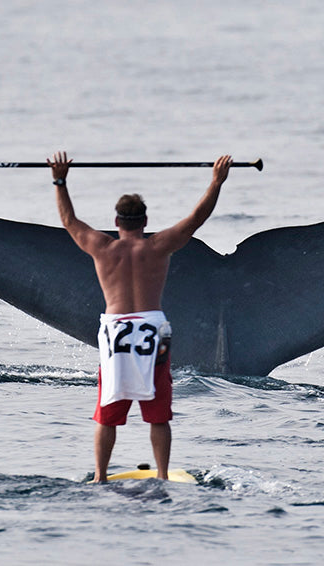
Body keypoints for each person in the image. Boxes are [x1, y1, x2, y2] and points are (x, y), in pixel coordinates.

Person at [48, 151, 233, 483]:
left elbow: (69, 222)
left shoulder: (101, 247)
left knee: (107, 413)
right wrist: (216, 182)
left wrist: (60, 180)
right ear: (145, 221)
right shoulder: (158, 246)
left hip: (116, 333)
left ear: (117, 222)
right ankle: (162, 475)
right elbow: (196, 218)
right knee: (158, 414)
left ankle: (100, 478)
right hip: (151, 332)